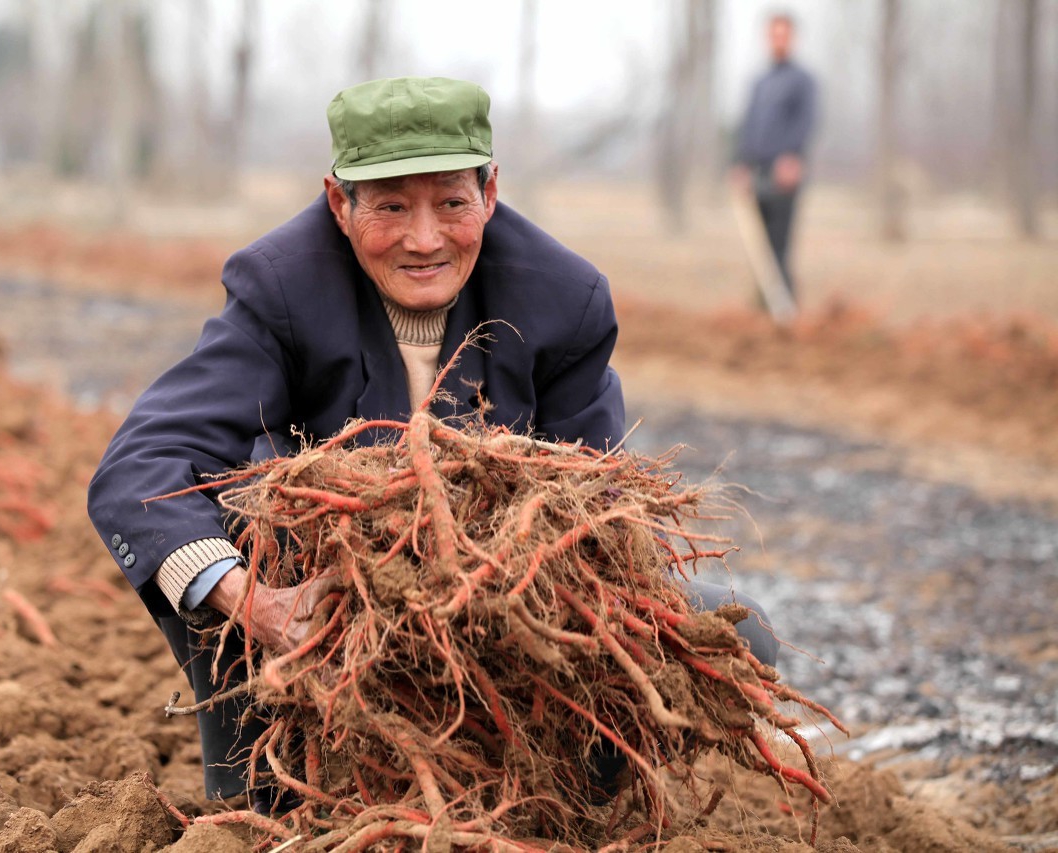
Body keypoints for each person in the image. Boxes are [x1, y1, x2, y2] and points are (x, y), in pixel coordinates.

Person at [88, 76, 777, 806]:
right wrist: (255, 601)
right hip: (332, 603)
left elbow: (603, 507)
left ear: (490, 192)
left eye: (452, 203)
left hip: (506, 610)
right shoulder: (283, 285)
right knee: (226, 534)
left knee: (729, 629)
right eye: (390, 207)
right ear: (338, 203)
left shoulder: (562, 298)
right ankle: (266, 802)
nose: (424, 240)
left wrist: (517, 591)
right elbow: (141, 467)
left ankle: (567, 804)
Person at [732, 13, 818, 300]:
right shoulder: (760, 82)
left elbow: (806, 122)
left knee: (779, 245)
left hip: (784, 173)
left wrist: (792, 158)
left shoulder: (803, 80)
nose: (778, 40)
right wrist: (741, 164)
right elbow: (748, 124)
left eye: (783, 35)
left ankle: (784, 308)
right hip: (757, 171)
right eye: (774, 35)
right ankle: (764, 304)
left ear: (792, 38)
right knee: (759, 246)